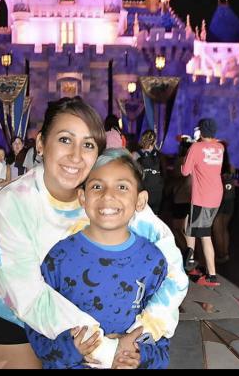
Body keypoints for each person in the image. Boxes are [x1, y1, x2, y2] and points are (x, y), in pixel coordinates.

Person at [0, 96, 188, 369]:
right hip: (3, 315)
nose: (76, 156)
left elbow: (172, 267)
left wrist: (143, 331)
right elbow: (28, 296)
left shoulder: (106, 197)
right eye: (65, 140)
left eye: (88, 145)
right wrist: (107, 348)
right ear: (41, 143)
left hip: (80, 322)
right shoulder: (16, 201)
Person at [26, 148, 178, 369]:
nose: (108, 195)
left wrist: (140, 355)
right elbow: (36, 323)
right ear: (82, 197)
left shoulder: (153, 260)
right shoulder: (58, 258)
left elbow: (162, 330)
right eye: (97, 186)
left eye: (122, 187)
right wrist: (70, 350)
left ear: (140, 200)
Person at [181, 118, 224, 287]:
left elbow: (185, 171)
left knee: (204, 235)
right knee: (190, 226)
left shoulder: (196, 147)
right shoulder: (220, 148)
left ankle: (210, 274)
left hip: (202, 196)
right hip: (216, 195)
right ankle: (190, 258)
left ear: (201, 131)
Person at [212, 141, 235, 264]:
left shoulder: (214, 166)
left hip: (217, 199)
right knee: (225, 228)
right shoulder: (230, 167)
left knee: (217, 229)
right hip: (230, 198)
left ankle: (220, 255)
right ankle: (225, 253)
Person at [134, 130, 165, 215]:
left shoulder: (136, 154)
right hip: (157, 190)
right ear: (154, 141)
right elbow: (164, 172)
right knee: (155, 215)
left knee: (141, 214)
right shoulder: (159, 155)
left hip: (143, 189)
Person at [171, 136, 193, 252]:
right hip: (190, 198)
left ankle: (186, 252)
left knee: (176, 228)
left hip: (180, 198)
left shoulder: (180, 161)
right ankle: (190, 253)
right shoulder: (193, 161)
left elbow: (177, 178)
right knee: (185, 229)